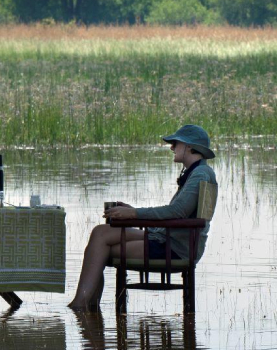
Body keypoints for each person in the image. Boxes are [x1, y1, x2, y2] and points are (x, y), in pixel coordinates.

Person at [68, 124, 218, 311]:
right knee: (100, 233)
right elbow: (177, 213)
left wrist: (134, 214)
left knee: (98, 249)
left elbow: (177, 211)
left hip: (175, 248)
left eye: (175, 143)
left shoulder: (201, 174)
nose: (172, 147)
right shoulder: (198, 172)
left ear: (189, 146)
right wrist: (133, 210)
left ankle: (82, 306)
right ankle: (88, 306)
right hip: (169, 238)